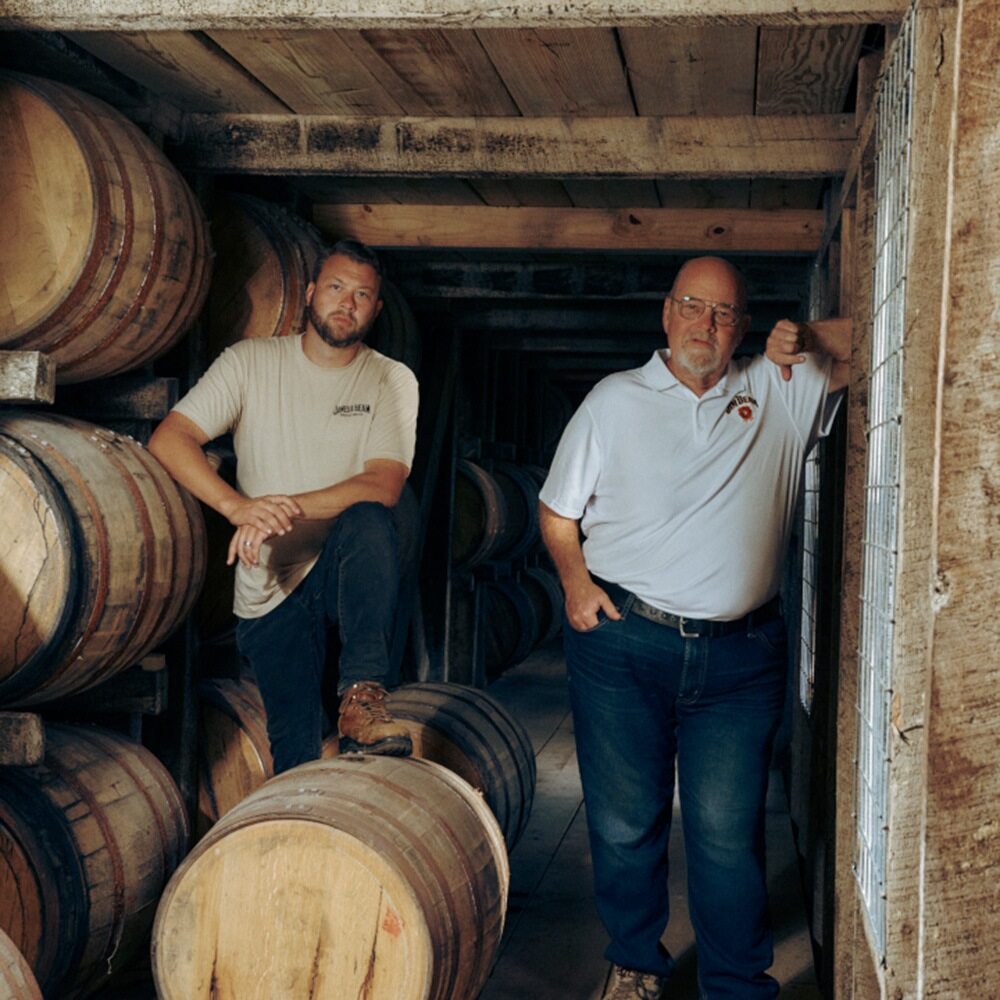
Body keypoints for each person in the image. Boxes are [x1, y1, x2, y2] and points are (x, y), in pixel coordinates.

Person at [538, 256, 850, 1000]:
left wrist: (805, 337)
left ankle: (736, 985)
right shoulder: (613, 400)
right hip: (623, 642)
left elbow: (881, 329)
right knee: (624, 821)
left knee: (727, 831)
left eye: (723, 312)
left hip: (742, 658)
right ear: (666, 313)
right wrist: (575, 582)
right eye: (692, 306)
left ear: (743, 327)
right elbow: (556, 510)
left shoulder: (781, 386)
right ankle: (636, 966)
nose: (705, 324)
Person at [149, 239, 419, 773]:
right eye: (336, 287)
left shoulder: (391, 378)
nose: (347, 303)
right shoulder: (250, 362)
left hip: (343, 575)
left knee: (369, 519)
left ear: (376, 309)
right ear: (311, 293)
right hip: (269, 589)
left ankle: (363, 695)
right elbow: (171, 438)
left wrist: (284, 506)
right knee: (296, 757)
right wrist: (236, 508)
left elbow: (384, 483)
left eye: (362, 295)